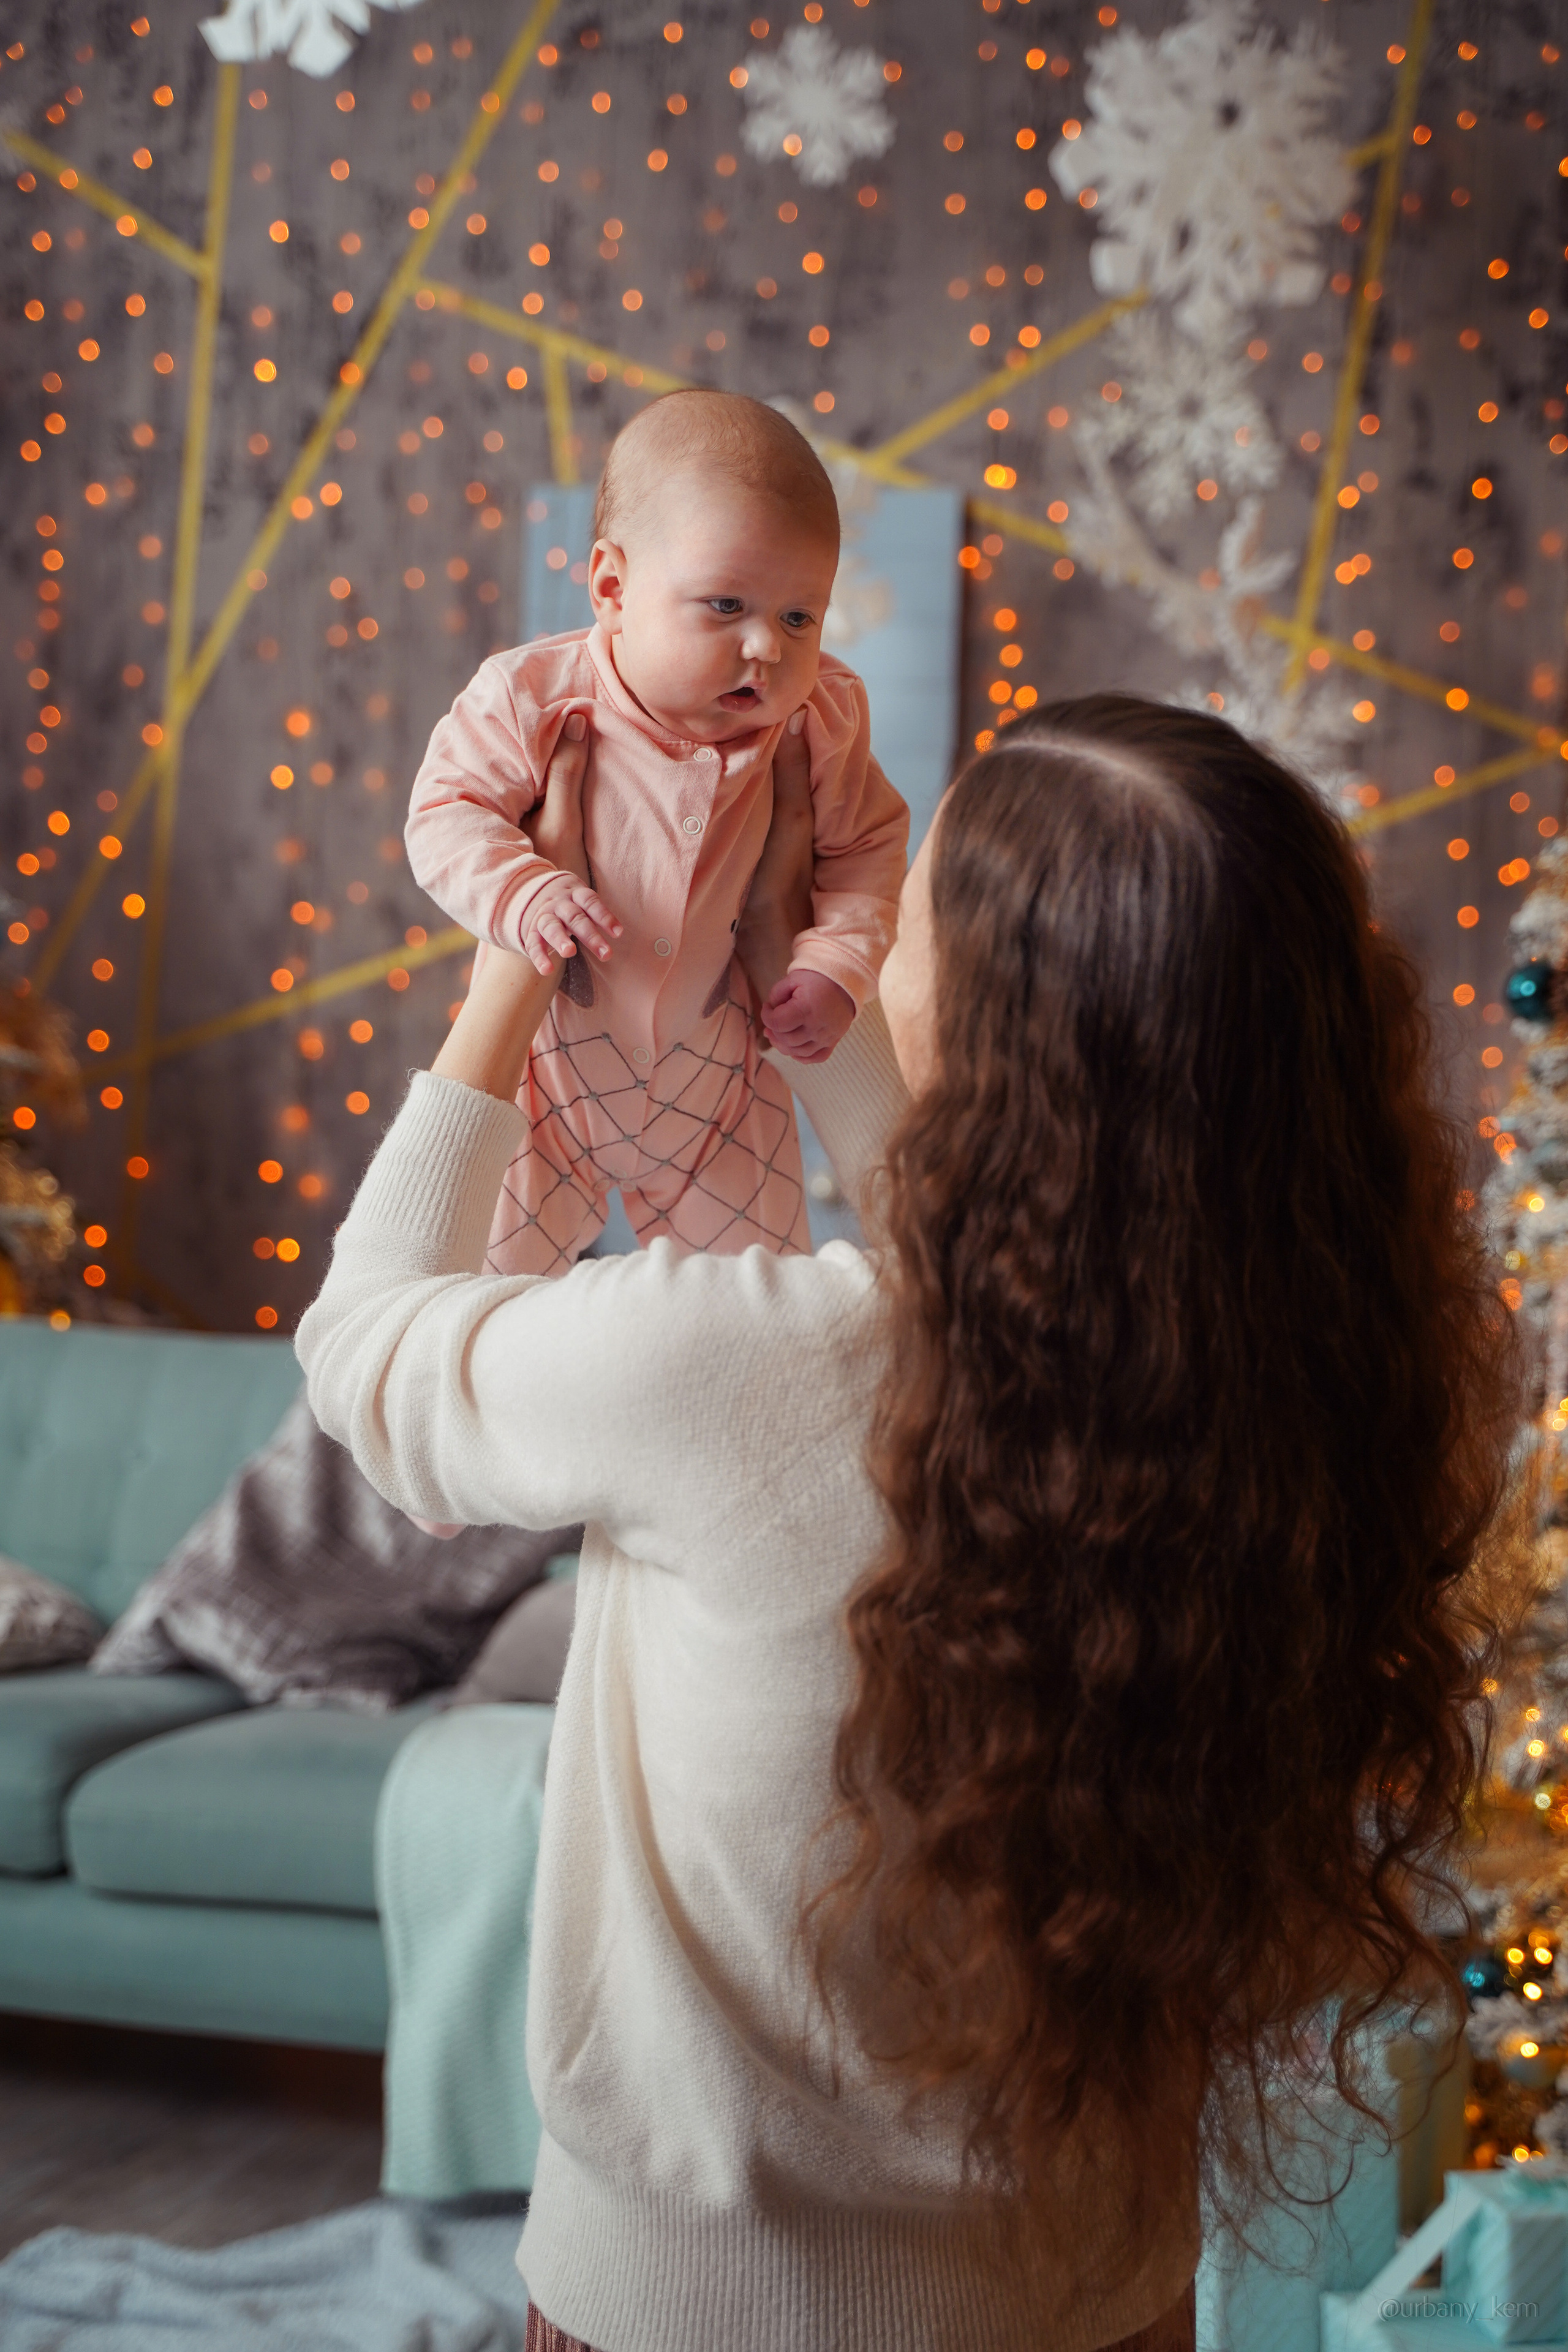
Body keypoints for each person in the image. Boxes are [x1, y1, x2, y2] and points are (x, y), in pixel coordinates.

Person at [298, 696, 1518, 2352]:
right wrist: (810, 982)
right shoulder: (1313, 1389)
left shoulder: (733, 1365)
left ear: (994, 1019)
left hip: (704, 2312)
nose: (885, 940)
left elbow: (363, 1353)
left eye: (913, 906)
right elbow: (987, 1262)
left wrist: (517, 947)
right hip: (1107, 2294)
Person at [405, 388, 909, 1276]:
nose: (767, 648)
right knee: (470, 1318)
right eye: (726, 607)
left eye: (800, 617)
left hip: (716, 1094)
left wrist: (835, 966)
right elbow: (445, 814)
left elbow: (868, 852)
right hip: (547, 1088)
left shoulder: (822, 718)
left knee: (762, 1335)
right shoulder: (532, 696)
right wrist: (525, 891)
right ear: (612, 588)